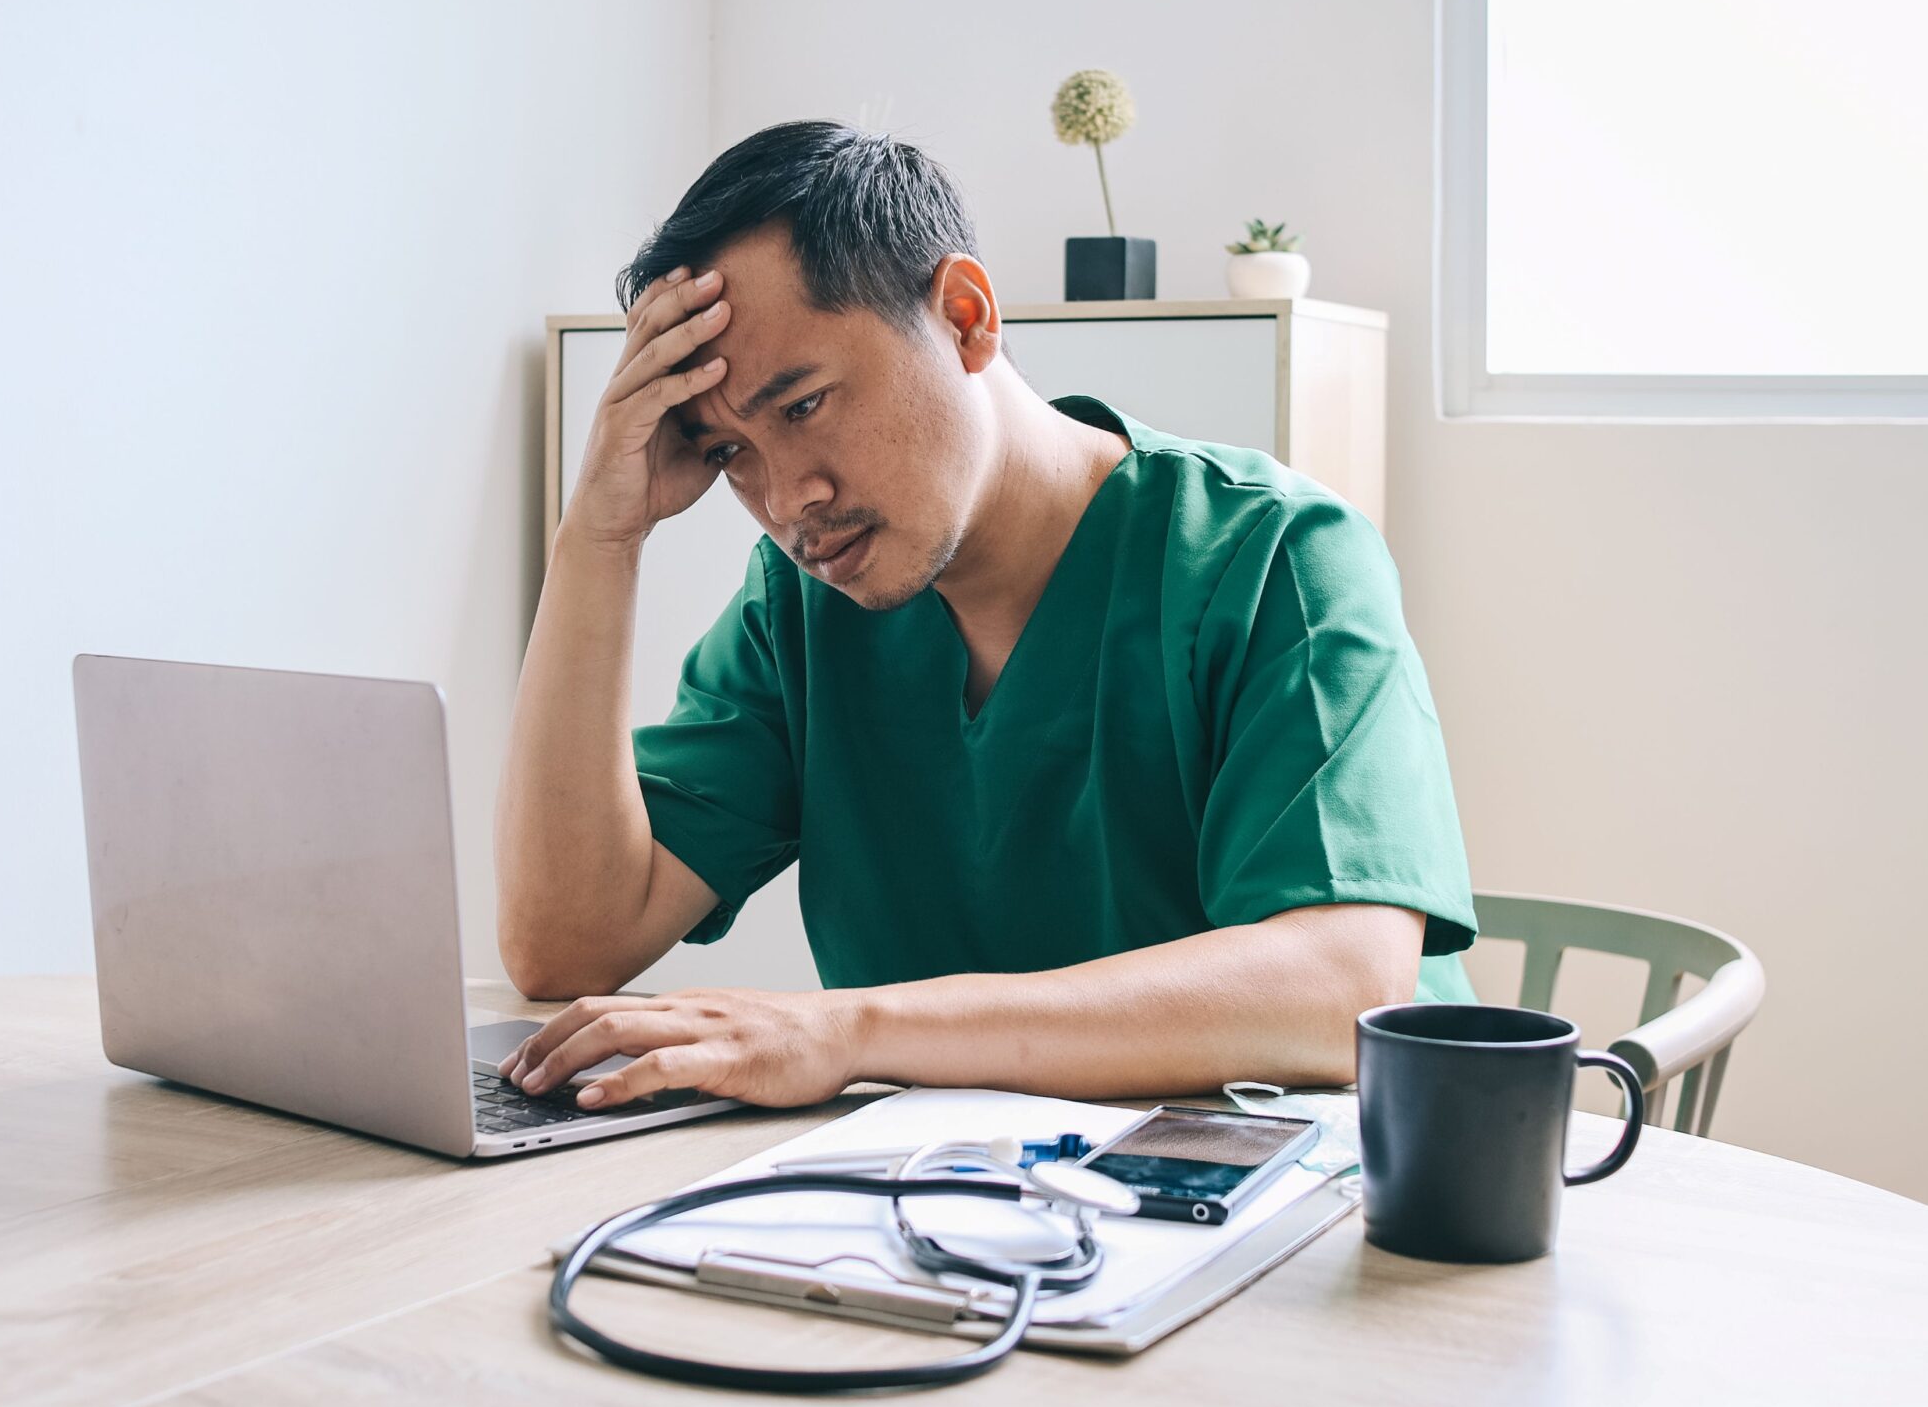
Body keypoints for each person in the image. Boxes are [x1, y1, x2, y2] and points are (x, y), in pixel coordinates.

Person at [493, 120, 1476, 1113]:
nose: (788, 497)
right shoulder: (801, 610)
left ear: (965, 316)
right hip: (962, 1210)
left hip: (1309, 1201)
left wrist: (853, 1031)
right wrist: (600, 533)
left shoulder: (1277, 556)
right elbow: (566, 943)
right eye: (727, 454)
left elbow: (1343, 987)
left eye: (801, 407)